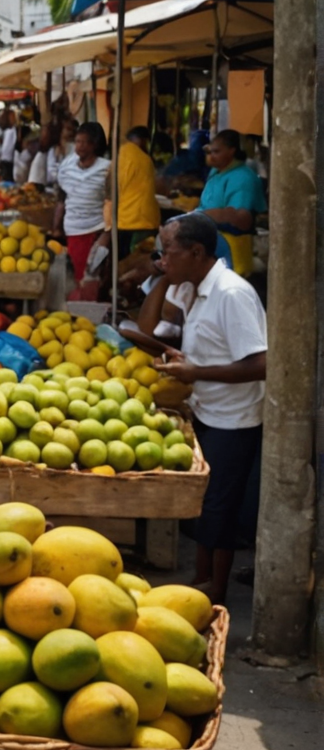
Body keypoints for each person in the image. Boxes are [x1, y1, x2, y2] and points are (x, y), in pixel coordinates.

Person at [144, 213, 265, 606]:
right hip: (206, 411)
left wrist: (197, 370)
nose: (162, 259)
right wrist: (164, 277)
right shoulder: (190, 287)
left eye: (169, 253)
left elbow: (261, 363)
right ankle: (201, 582)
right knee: (203, 507)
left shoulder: (232, 294)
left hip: (235, 419)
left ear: (197, 253)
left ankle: (215, 592)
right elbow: (147, 329)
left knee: (218, 510)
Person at [199, 130, 265, 275]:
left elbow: (239, 219)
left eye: (216, 152)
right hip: (210, 239)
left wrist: (204, 216)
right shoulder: (216, 172)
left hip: (233, 248)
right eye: (210, 151)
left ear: (231, 151)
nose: (211, 156)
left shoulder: (243, 178)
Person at [52, 122, 112, 280]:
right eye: (78, 141)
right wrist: (56, 227)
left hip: (96, 228)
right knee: (75, 275)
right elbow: (62, 197)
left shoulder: (107, 169)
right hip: (73, 229)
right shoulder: (67, 166)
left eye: (85, 142)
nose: (80, 146)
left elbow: (112, 201)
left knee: (91, 276)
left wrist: (107, 232)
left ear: (95, 145)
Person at [115, 126, 162, 254]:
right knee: (138, 259)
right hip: (143, 219)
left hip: (122, 219)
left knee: (123, 261)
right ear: (142, 140)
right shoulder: (145, 159)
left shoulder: (119, 155)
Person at [0, 108, 21, 177]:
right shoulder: (7, 130)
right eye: (13, 116)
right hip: (2, 160)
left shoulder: (7, 129)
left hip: (2, 159)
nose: (15, 118)